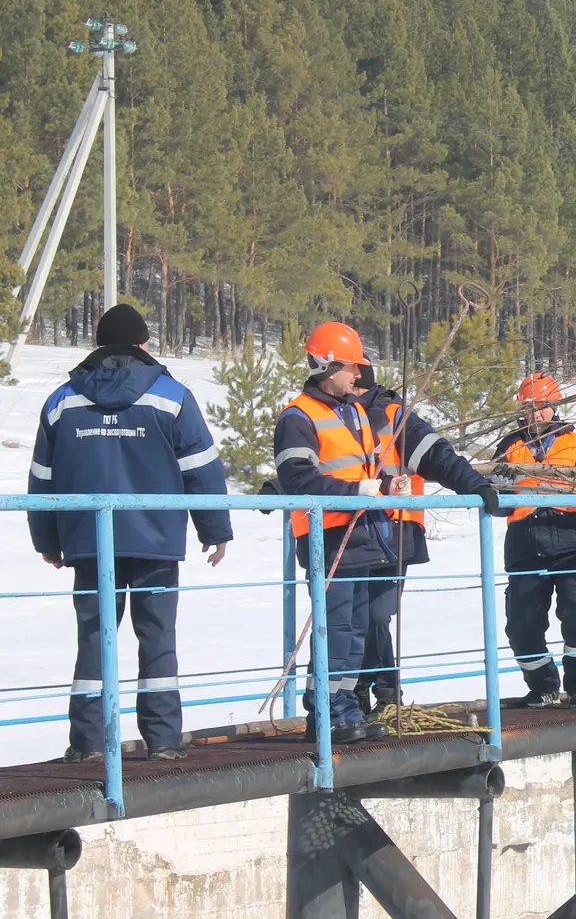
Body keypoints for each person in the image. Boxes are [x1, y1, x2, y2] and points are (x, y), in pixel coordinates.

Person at [27, 303, 232, 763]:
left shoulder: (63, 400)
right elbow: (200, 468)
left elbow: (42, 478)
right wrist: (215, 528)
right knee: (158, 636)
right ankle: (162, 741)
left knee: (95, 637)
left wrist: (47, 539)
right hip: (156, 538)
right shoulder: (172, 396)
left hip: (87, 541)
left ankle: (88, 743)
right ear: (142, 344)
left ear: (99, 344)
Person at [354, 363, 507, 716]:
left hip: (395, 531)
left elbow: (439, 456)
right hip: (347, 532)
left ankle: (384, 690)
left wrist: (475, 484)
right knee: (352, 619)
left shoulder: (394, 416)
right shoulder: (336, 416)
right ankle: (364, 692)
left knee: (375, 615)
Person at [273, 322, 400, 745]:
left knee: (356, 629)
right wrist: (355, 491)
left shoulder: (357, 412)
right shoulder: (298, 417)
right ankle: (327, 714)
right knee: (337, 630)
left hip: (363, 535)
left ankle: (344, 710)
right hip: (327, 537)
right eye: (351, 367)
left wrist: (382, 485)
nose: (358, 376)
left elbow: (365, 469)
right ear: (328, 365)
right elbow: (297, 479)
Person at [490, 373, 576, 709]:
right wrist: (500, 484)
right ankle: (543, 686)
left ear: (555, 407)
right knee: (522, 625)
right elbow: (493, 498)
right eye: (529, 408)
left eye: (542, 407)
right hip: (526, 544)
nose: (535, 414)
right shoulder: (509, 446)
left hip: (573, 540)